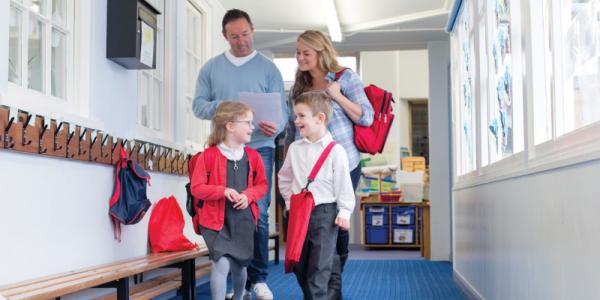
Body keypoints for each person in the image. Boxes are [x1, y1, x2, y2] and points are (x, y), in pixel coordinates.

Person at [193, 9, 287, 299]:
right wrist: (226, 107)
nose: (241, 41)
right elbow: (198, 106)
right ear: (225, 36)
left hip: (259, 148)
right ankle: (233, 277)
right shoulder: (211, 68)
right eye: (234, 36)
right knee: (224, 211)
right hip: (222, 149)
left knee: (256, 215)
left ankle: (256, 280)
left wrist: (276, 126)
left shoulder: (269, 69)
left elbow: (282, 114)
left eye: (245, 34)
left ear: (253, 30)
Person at [288, 30, 374, 299]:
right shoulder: (298, 86)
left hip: (343, 160)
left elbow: (366, 117)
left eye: (306, 53)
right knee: (313, 229)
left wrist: (336, 95)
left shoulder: (344, 77)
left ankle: (330, 282)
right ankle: (323, 285)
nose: (301, 57)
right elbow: (295, 129)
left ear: (321, 52)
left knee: (338, 224)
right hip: (311, 169)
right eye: (298, 52)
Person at [278, 91, 355, 299]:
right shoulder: (294, 148)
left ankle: (320, 295)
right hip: (298, 214)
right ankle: (328, 293)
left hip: (325, 214)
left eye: (301, 116)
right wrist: (288, 202)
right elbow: (284, 178)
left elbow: (343, 183)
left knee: (319, 267)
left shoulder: (335, 151)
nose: (296, 120)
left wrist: (345, 211)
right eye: (296, 116)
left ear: (320, 118)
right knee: (299, 264)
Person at [190, 102, 268, 300]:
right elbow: (197, 188)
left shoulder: (253, 156)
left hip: (243, 220)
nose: (253, 127)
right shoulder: (207, 156)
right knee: (221, 263)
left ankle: (239, 296)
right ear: (230, 126)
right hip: (215, 222)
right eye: (248, 123)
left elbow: (262, 186)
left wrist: (248, 196)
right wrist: (222, 191)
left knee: (239, 265)